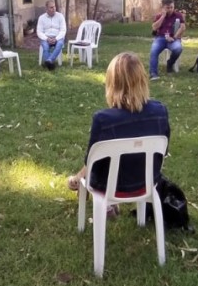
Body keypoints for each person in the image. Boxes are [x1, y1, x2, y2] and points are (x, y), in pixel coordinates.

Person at [66, 52, 171, 215]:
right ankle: (83, 183)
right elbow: (163, 152)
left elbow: (92, 162)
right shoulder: (160, 112)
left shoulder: (103, 119)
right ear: (143, 79)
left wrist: (81, 176)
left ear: (112, 83)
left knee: (95, 166)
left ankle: (83, 184)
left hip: (110, 187)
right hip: (147, 182)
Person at [149, 0, 186, 80]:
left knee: (178, 48)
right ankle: (153, 73)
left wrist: (174, 37)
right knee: (154, 51)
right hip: (161, 38)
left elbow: (182, 27)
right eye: (167, 8)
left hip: (173, 38)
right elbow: (154, 28)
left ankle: (170, 63)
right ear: (163, 8)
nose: (170, 9)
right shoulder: (159, 16)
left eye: (172, 7)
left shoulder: (178, 15)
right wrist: (163, 16)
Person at [36, 0, 66, 70]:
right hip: (46, 38)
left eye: (54, 6)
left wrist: (56, 38)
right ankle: (50, 63)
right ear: (46, 9)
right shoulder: (41, 18)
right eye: (51, 7)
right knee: (45, 47)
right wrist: (47, 39)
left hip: (58, 37)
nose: (54, 9)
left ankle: (48, 61)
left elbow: (63, 30)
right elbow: (39, 31)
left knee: (60, 44)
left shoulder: (60, 16)